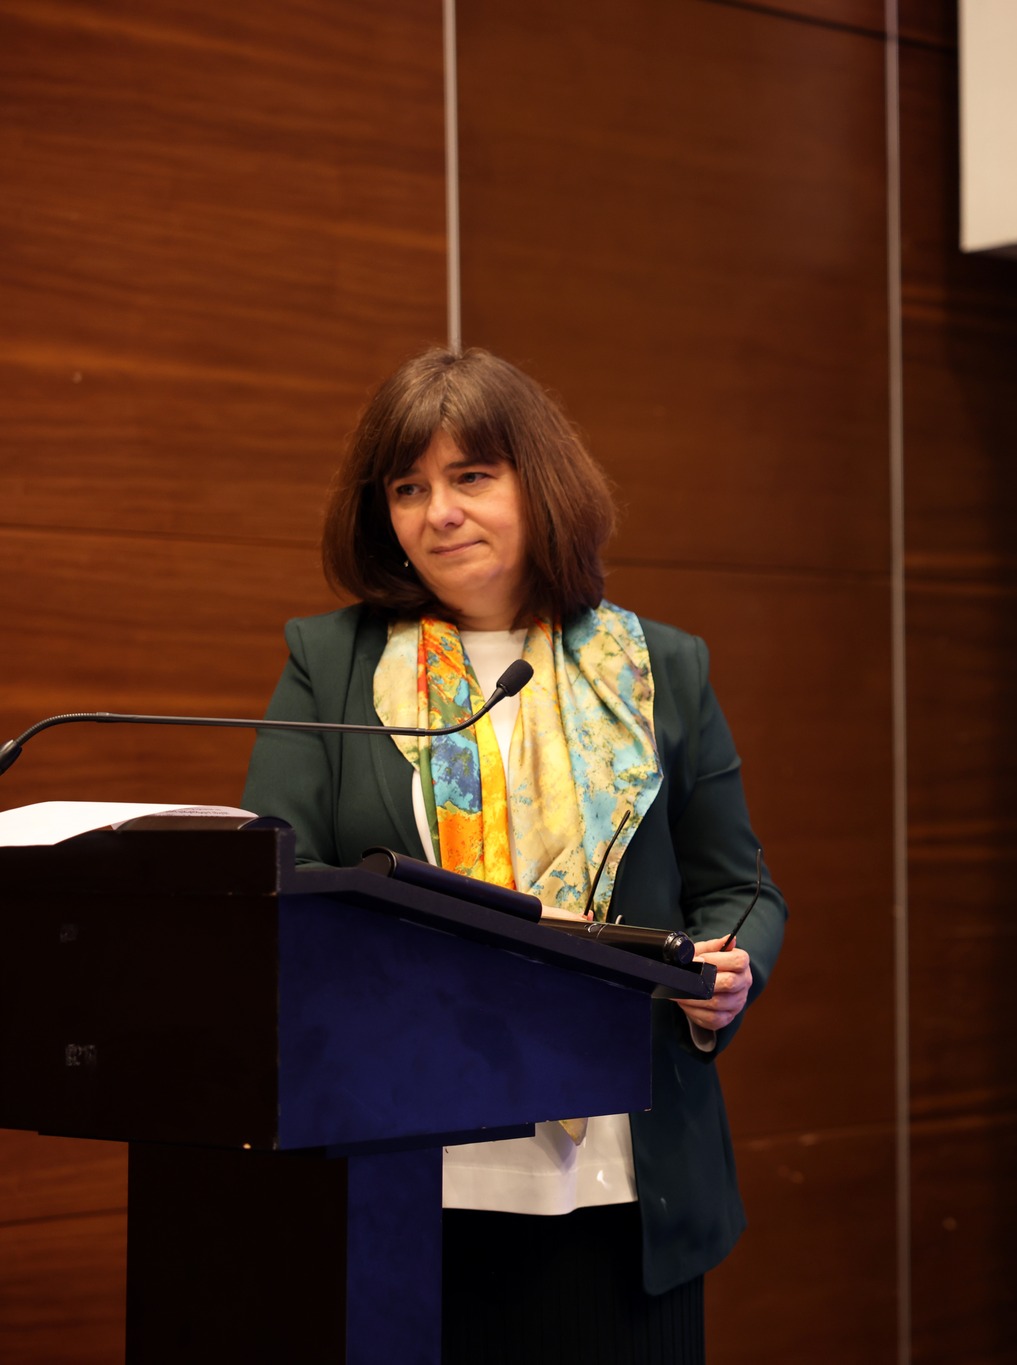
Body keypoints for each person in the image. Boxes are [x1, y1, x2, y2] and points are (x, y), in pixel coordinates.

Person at [242, 347, 786, 1364]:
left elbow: (741, 888)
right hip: (406, 1165)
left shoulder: (659, 667)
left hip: (624, 1181)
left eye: (472, 476)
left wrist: (729, 968)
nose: (439, 512)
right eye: (408, 488)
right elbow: (279, 879)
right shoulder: (332, 663)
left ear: (542, 483)